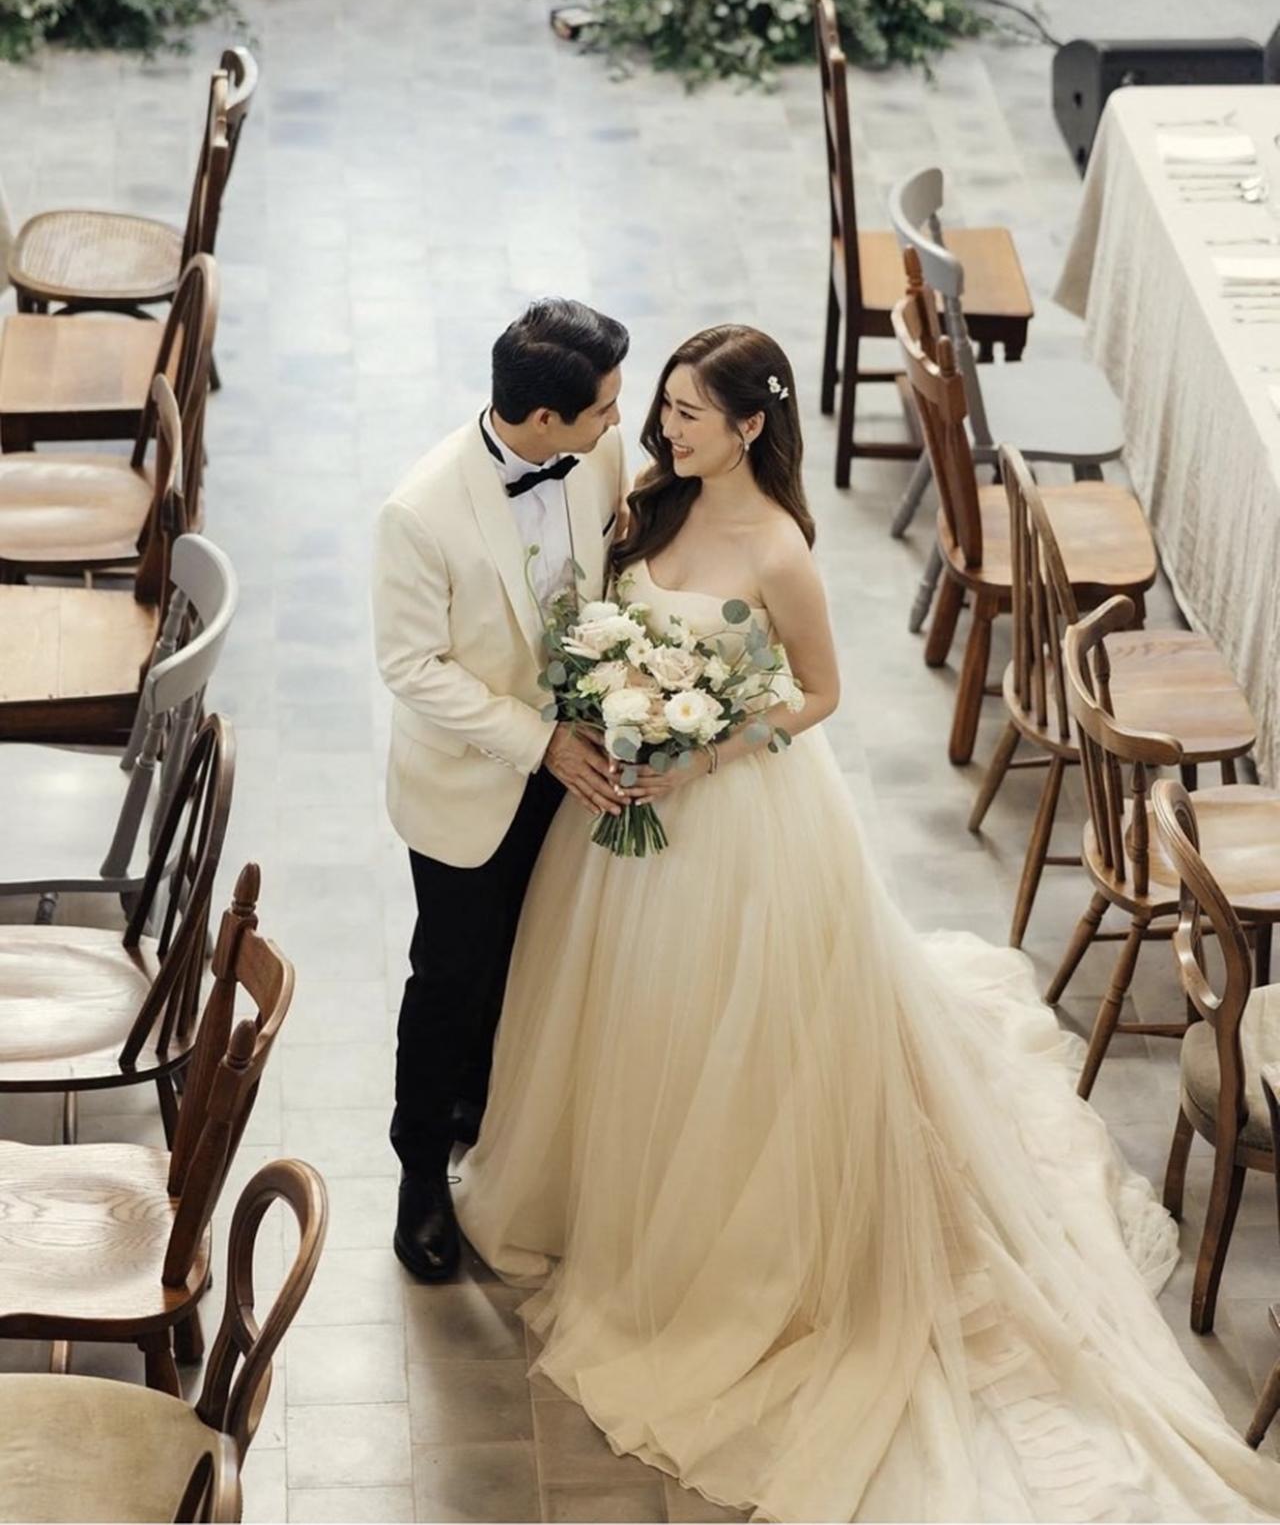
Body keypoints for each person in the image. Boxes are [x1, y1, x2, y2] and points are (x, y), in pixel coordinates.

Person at [456, 324, 1279, 1522]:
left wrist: (700, 747)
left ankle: (712, 1245)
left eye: (687, 413)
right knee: (621, 1014)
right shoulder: (645, 499)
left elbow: (819, 693)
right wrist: (617, 711)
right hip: (624, 821)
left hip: (731, 817)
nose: (663, 430)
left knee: (732, 1034)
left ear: (749, 427)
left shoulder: (779, 549)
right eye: (664, 408)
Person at [372, 297, 630, 1283]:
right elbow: (411, 667)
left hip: (575, 765)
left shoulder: (598, 455)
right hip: (471, 781)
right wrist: (538, 742)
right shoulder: (419, 512)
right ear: (544, 419)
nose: (620, 419)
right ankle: (420, 1169)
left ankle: (495, 1123)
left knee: (537, 957)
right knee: (451, 975)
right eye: (604, 406)